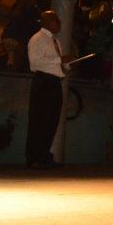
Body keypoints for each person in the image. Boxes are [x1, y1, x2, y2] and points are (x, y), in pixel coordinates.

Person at [25, 10, 70, 169]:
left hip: (54, 82)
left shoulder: (56, 41)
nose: (59, 24)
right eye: (56, 20)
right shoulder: (37, 39)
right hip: (43, 81)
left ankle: (44, 155)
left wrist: (67, 64)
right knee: (39, 119)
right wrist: (59, 60)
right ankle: (34, 157)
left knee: (52, 120)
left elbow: (57, 64)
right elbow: (35, 63)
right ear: (48, 22)